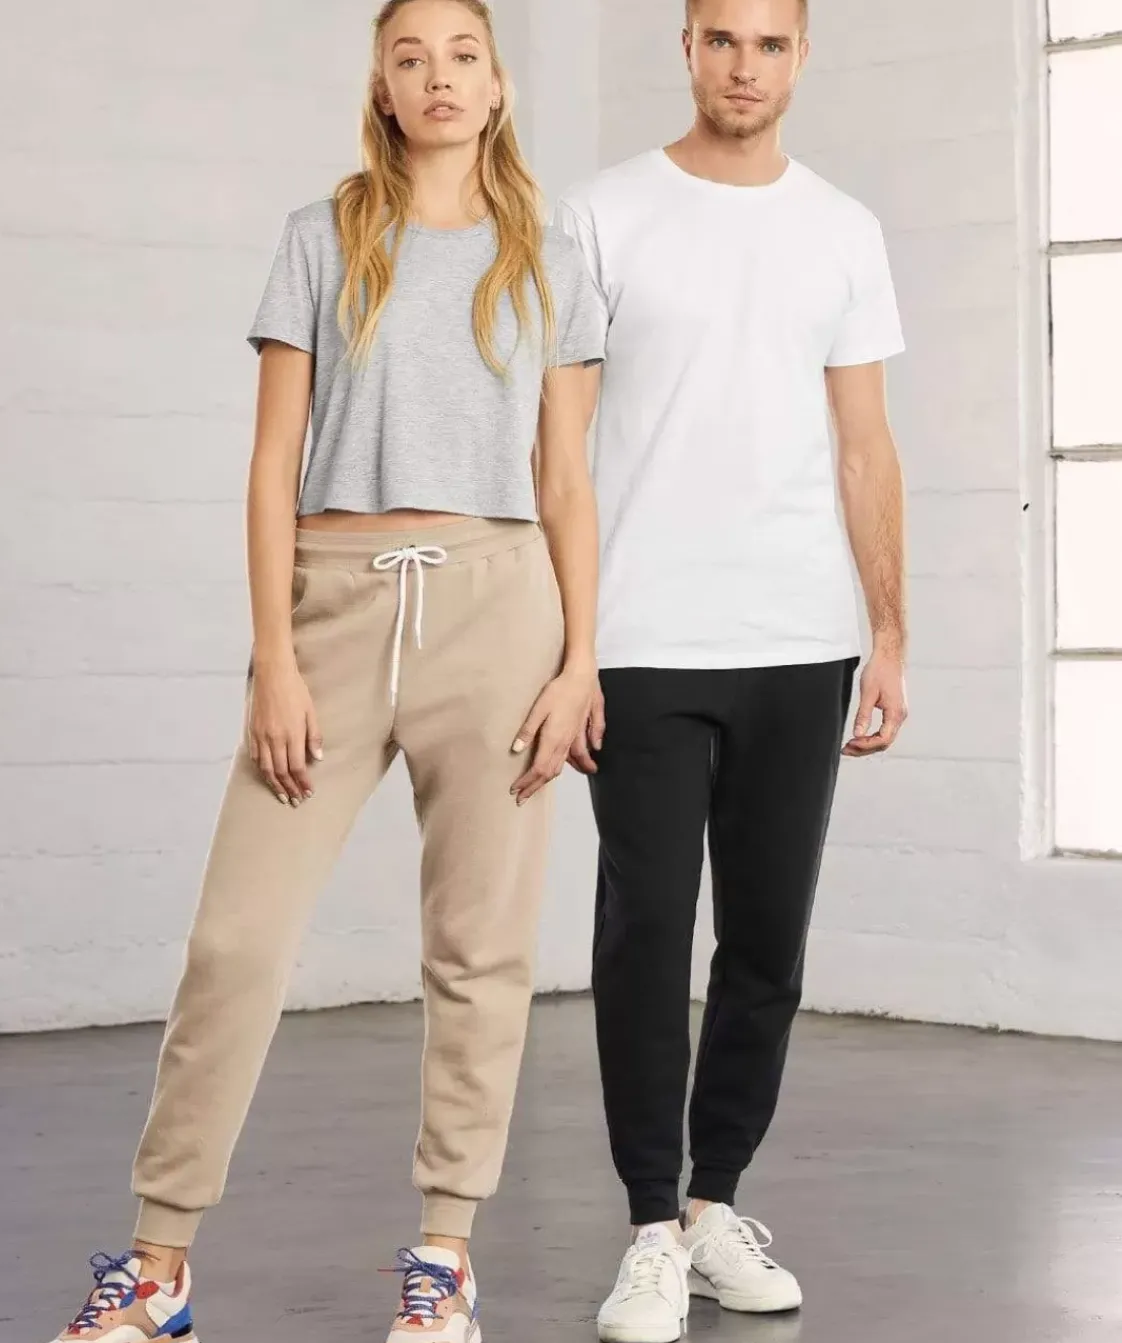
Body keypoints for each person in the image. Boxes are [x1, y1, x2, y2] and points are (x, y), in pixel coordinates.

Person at [50, 2, 604, 1340]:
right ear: (381, 85)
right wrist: (274, 661)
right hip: (333, 607)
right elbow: (269, 467)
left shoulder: (551, 252)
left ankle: (444, 1255)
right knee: (236, 943)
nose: (438, 77)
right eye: (410, 57)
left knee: (479, 949)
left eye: (461, 55)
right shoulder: (322, 235)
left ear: (497, 83)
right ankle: (160, 1265)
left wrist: (581, 659)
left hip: (499, 608)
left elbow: (566, 478)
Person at [555, 0, 908, 1337]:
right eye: (720, 40)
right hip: (642, 637)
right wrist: (569, 645)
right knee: (645, 933)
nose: (742, 66)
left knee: (766, 940)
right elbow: (558, 451)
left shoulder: (842, 228)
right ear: (687, 48)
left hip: (802, 636)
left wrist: (889, 633)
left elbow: (865, 446)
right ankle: (649, 1226)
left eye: (768, 43)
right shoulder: (602, 214)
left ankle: (713, 1208)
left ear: (800, 55)